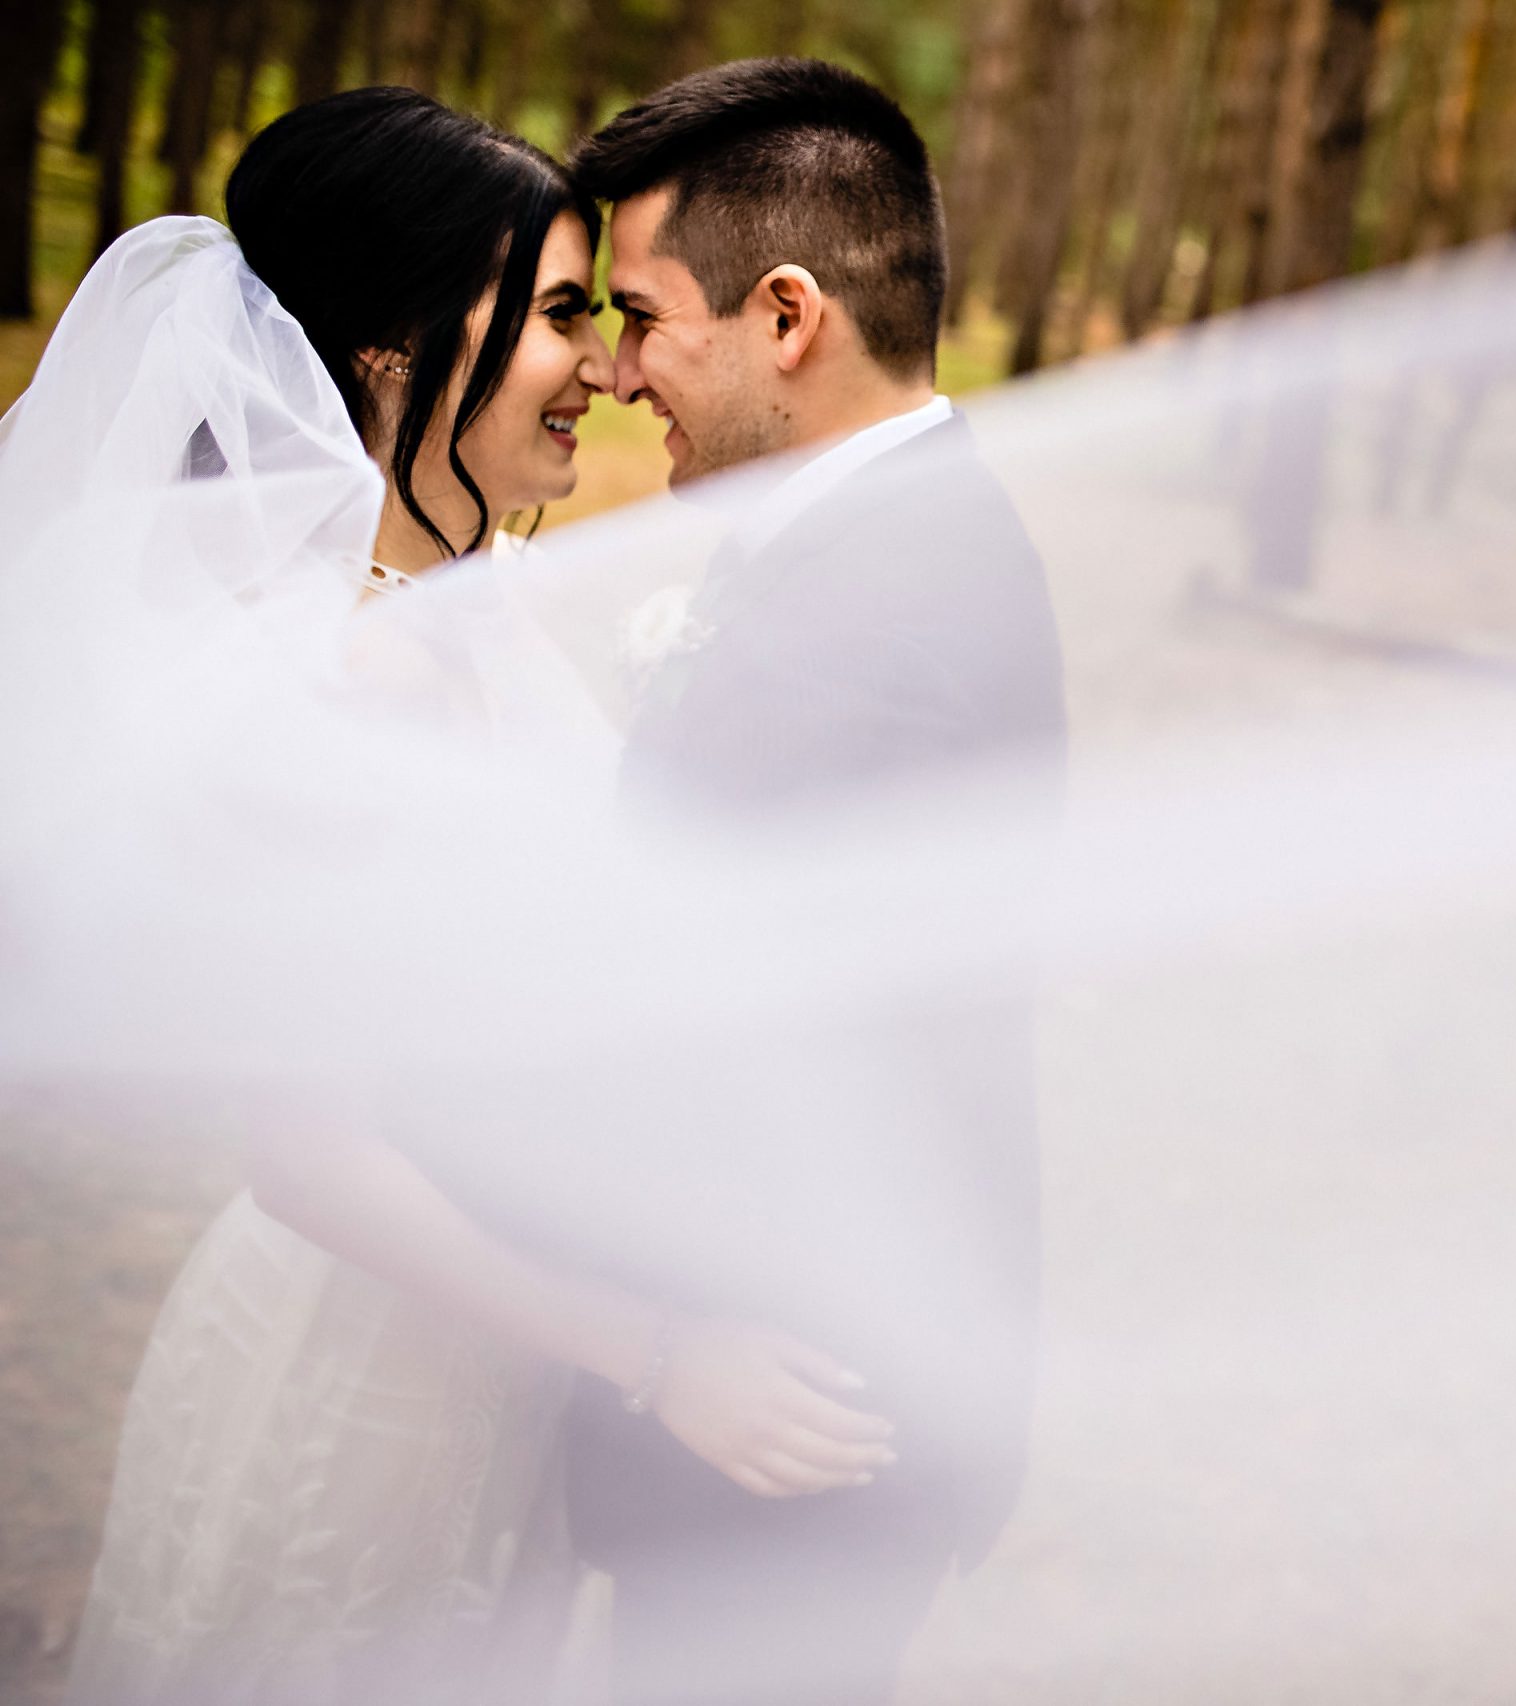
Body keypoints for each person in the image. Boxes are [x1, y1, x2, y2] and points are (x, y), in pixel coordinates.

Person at [32, 88, 894, 1706]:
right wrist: (658, 1356)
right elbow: (306, 1151)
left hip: (506, 1368)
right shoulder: (341, 683)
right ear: (392, 354)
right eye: (559, 315)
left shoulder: (469, 605)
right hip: (358, 1388)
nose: (609, 363)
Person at [557, 58, 1066, 1706]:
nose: (622, 373)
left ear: (787, 315)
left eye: (641, 318)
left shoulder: (890, 611)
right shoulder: (878, 538)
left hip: (796, 1428)